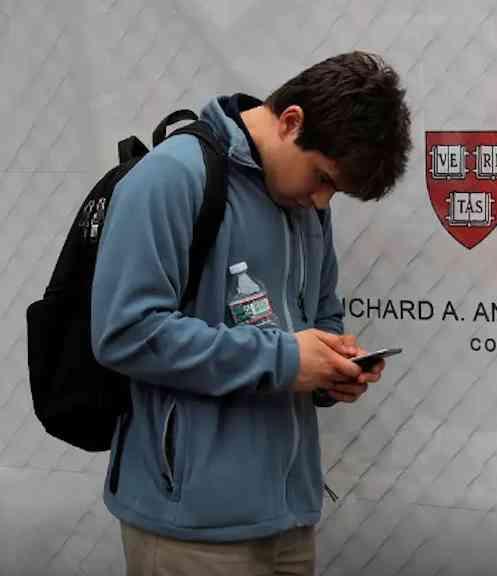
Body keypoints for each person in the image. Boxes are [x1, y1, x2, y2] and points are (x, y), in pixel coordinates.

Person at [90, 51, 412, 575]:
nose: (322, 201)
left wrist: (331, 366)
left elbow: (319, 314)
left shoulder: (306, 205)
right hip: (191, 528)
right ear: (291, 121)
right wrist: (287, 360)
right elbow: (125, 332)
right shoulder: (172, 177)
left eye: (335, 191)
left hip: (290, 518)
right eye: (322, 177)